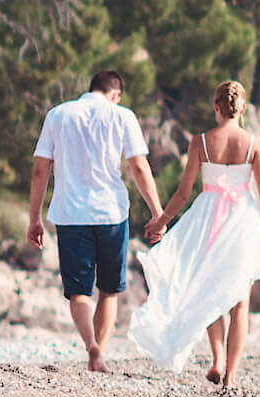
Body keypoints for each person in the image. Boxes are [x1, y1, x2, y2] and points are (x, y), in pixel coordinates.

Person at [130, 80, 260, 388]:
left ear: (216, 106)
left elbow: (182, 192)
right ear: (243, 109)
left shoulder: (200, 141)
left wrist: (163, 220)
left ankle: (217, 358)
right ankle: (230, 375)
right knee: (240, 302)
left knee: (209, 288)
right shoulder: (255, 143)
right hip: (242, 220)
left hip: (207, 220)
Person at [26, 70, 163, 372]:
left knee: (78, 291)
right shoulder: (123, 116)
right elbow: (139, 168)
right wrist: (157, 212)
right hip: (110, 213)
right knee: (109, 290)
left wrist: (34, 217)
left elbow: (40, 171)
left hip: (70, 214)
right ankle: (99, 354)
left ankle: (90, 345)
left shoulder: (58, 115)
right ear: (116, 94)